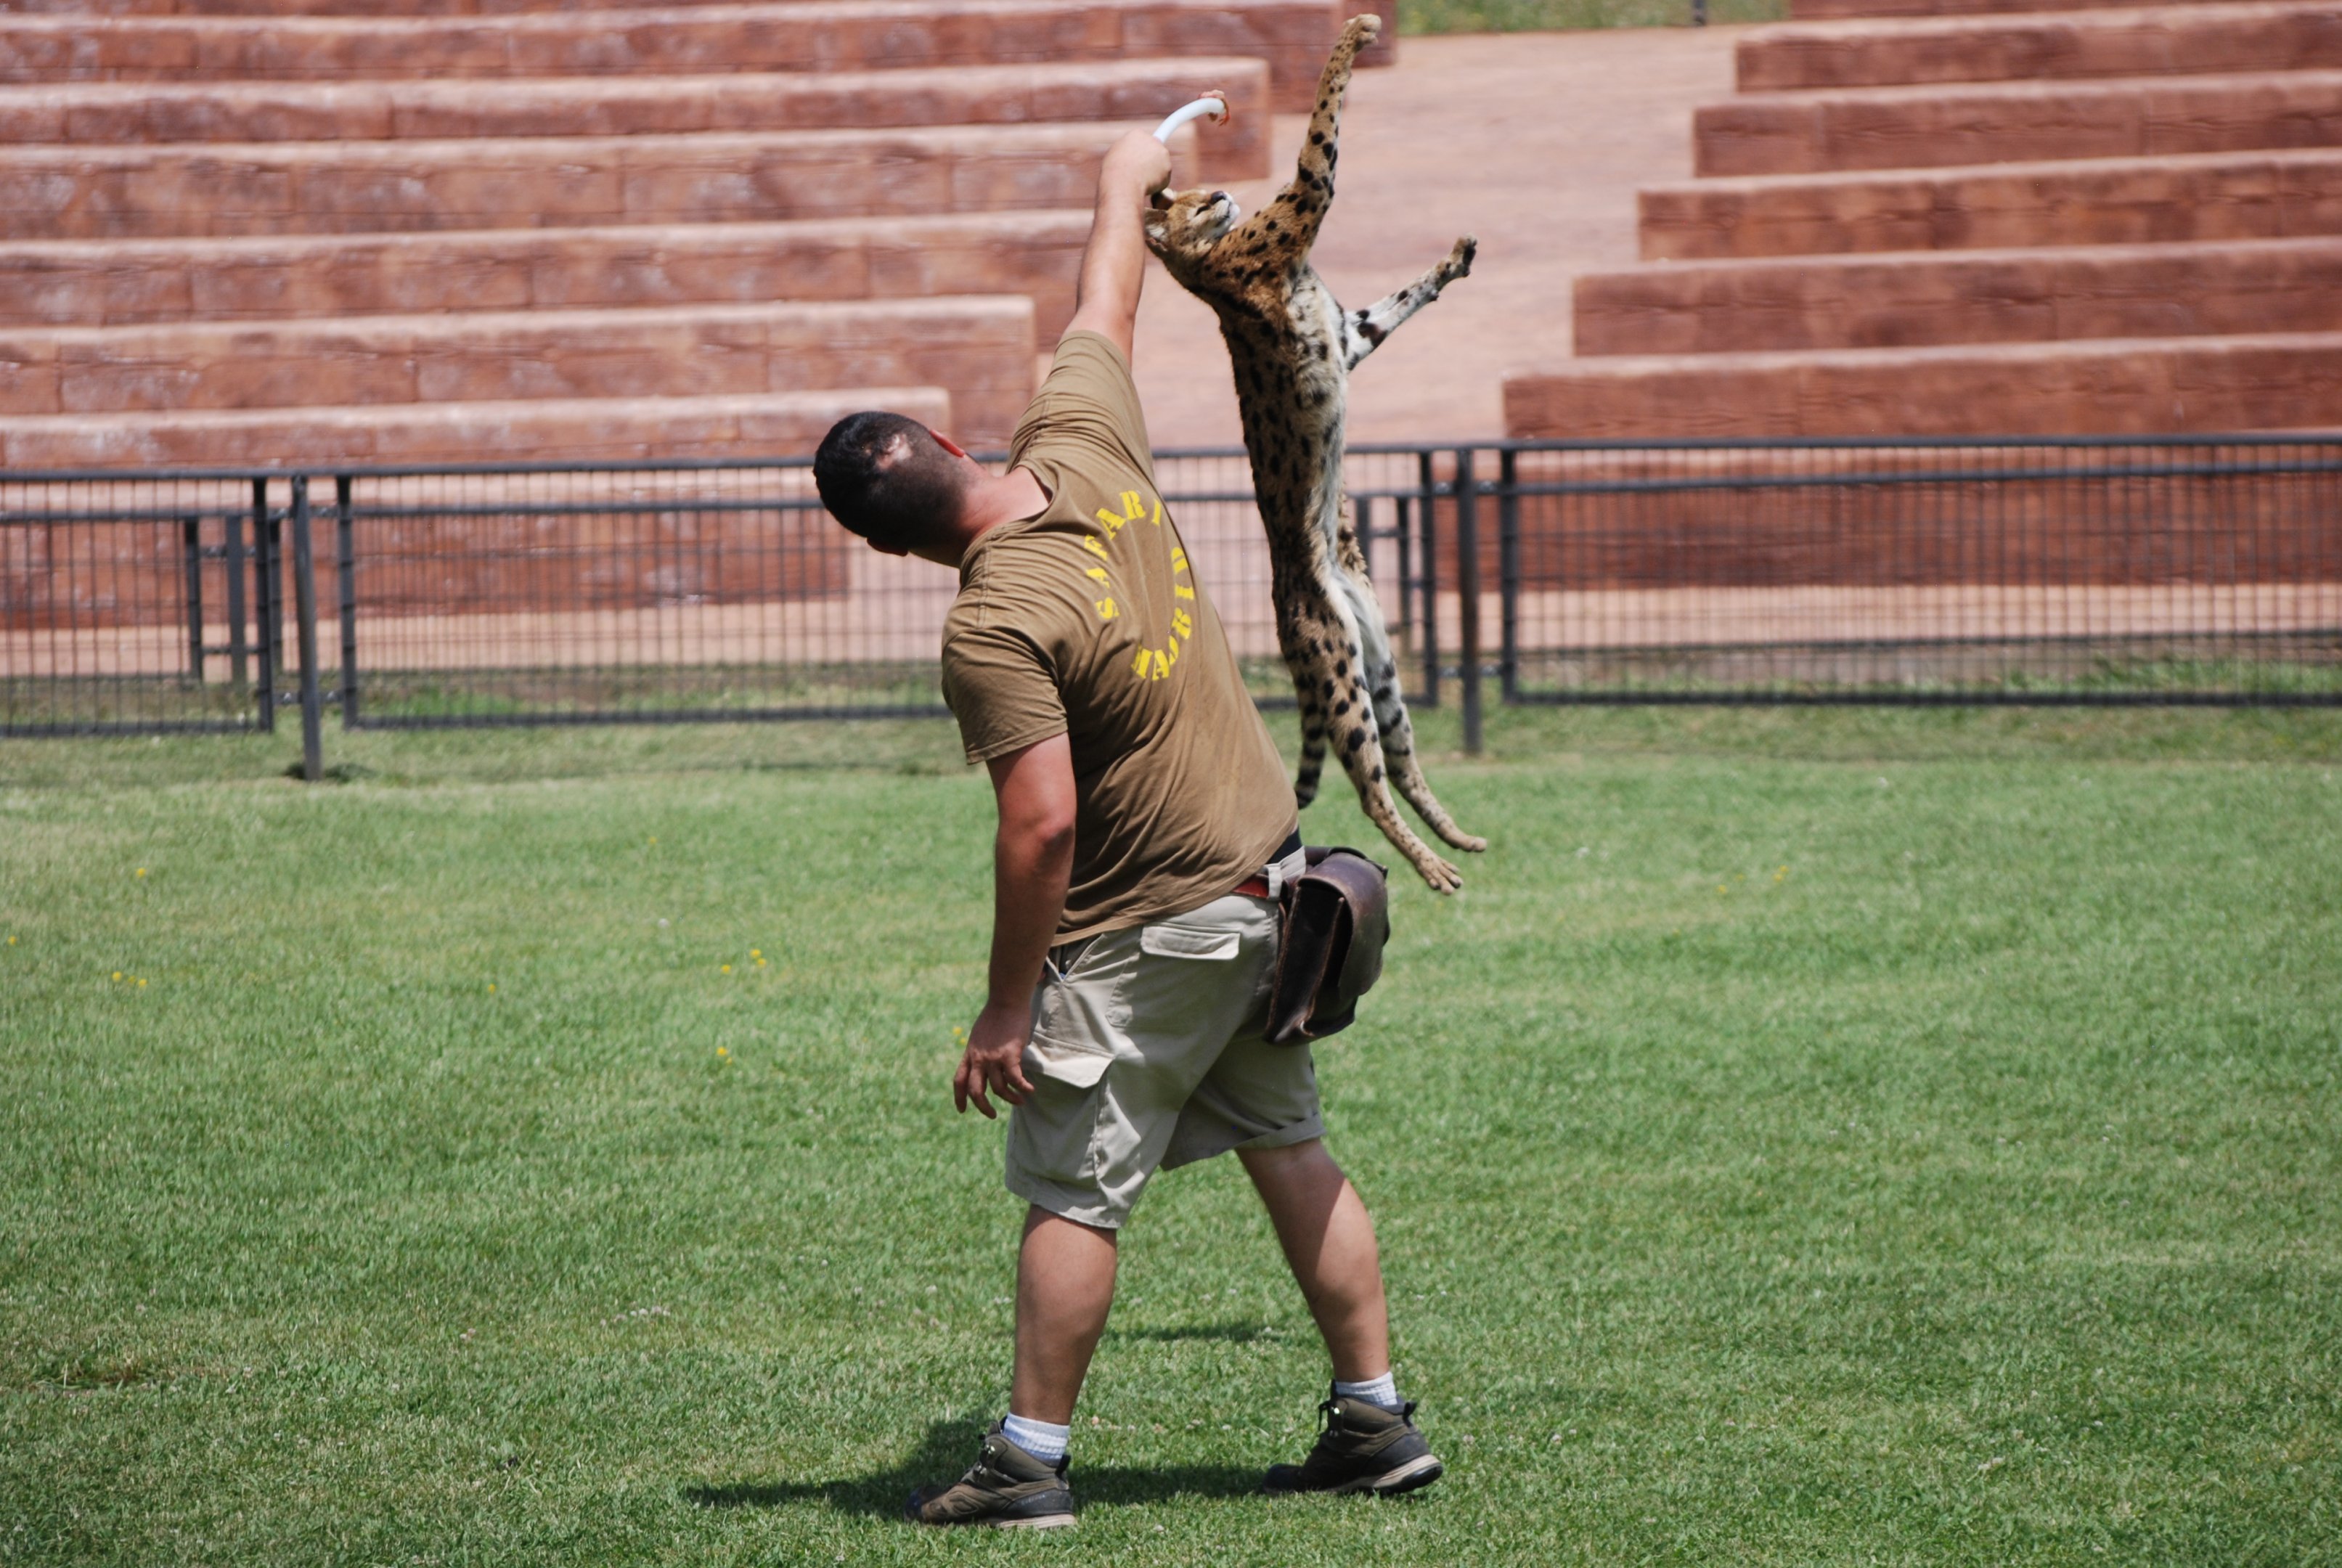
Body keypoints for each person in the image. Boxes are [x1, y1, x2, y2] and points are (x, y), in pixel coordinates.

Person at [811, 128, 1441, 1531]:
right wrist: (1125, 170)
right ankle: (1374, 1420)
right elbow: (1107, 294)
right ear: (957, 445)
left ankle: (1028, 1463)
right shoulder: (1081, 440)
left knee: (1071, 1194)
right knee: (1291, 1149)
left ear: (888, 546)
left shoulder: (991, 624)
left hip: (1151, 938)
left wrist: (1004, 1010)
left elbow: (1041, 826)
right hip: (1275, 889)